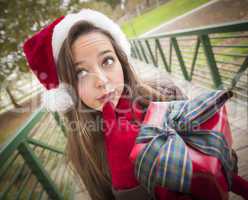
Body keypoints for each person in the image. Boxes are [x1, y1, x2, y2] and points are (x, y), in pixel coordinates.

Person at [23, 9, 248, 200]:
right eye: (80, 72)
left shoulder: (164, 93)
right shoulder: (84, 151)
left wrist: (218, 165)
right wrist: (127, 182)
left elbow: (221, 153)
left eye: (107, 60)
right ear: (68, 90)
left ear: (121, 60)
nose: (101, 80)